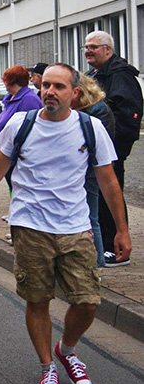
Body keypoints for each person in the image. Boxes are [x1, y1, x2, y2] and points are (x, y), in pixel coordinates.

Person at [0, 63, 130, 384]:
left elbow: (108, 180)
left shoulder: (90, 128)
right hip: (29, 225)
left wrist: (122, 229)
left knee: (88, 301)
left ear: (74, 93)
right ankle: (48, 367)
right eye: (45, 85)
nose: (49, 92)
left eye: (58, 86)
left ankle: (67, 350)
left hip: (75, 225)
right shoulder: (22, 124)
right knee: (38, 299)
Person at [85, 30, 142, 267]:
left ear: (108, 50)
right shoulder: (93, 74)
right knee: (97, 197)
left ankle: (114, 247)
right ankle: (103, 243)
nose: (88, 51)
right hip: (95, 148)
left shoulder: (121, 76)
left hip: (111, 149)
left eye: (93, 47)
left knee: (111, 196)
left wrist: (112, 144)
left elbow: (128, 114)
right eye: (86, 47)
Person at [74, 74, 115, 268]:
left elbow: (97, 146)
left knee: (91, 217)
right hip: (85, 169)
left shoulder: (96, 112)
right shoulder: (89, 109)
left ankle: (97, 262)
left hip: (90, 170)